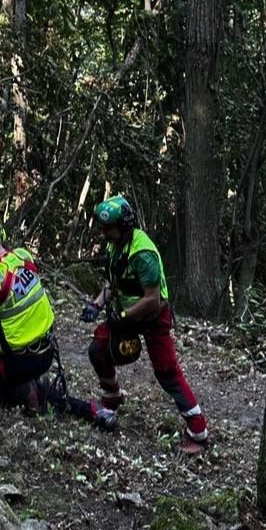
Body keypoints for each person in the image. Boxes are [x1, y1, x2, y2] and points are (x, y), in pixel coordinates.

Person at [0, 207, 117, 429]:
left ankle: (26, 392)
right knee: (20, 379)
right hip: (46, 352)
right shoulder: (24, 257)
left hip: (18, 362)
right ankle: (85, 407)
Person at [79, 195, 209, 454]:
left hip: (151, 317)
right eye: (103, 228)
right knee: (98, 348)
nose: (104, 233)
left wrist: (124, 317)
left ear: (123, 226)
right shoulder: (114, 247)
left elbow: (153, 299)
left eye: (109, 227)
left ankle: (198, 430)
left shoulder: (143, 253)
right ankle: (111, 398)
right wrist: (96, 304)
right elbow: (112, 284)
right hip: (127, 313)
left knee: (167, 372)